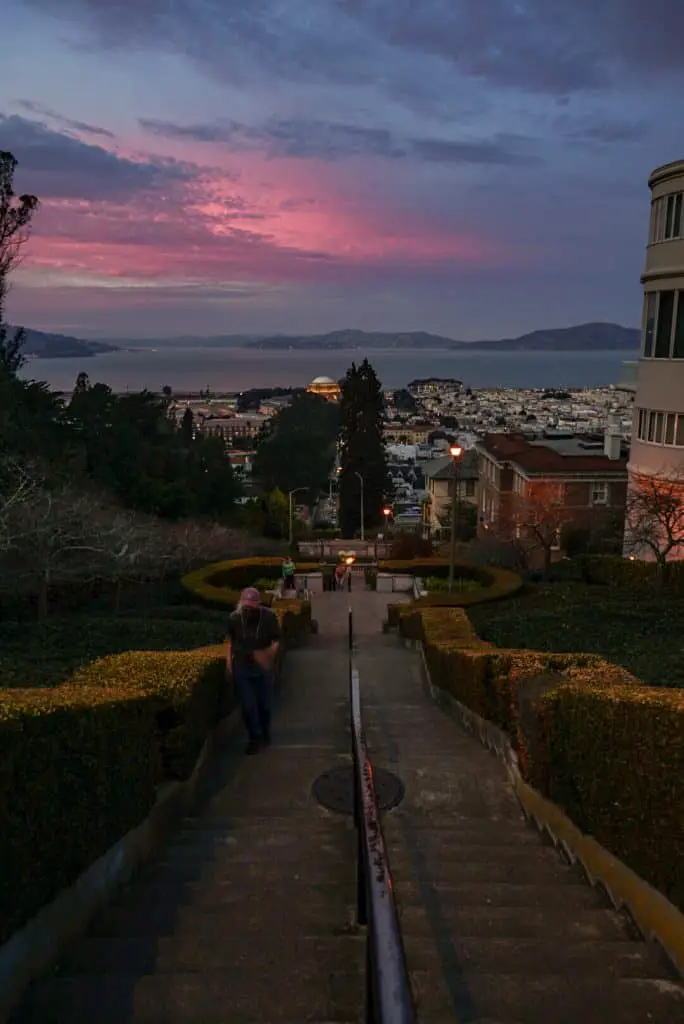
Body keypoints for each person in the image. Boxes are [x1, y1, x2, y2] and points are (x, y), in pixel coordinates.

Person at [226, 587, 281, 754]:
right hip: (242, 664)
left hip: (261, 664)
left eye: (252, 606)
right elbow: (230, 642)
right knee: (248, 705)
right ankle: (254, 738)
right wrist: (229, 664)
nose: (248, 609)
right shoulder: (234, 618)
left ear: (258, 604)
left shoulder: (268, 617)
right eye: (246, 605)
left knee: (264, 705)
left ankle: (265, 732)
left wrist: (268, 655)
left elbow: (276, 640)